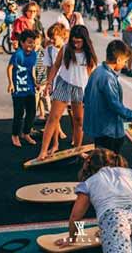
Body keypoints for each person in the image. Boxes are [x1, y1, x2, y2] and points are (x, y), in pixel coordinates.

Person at [55, 148, 132, 253]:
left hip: (113, 218)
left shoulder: (89, 183)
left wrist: (71, 238)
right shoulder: (128, 173)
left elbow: (75, 216)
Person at [38, 25, 98, 160]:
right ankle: (43, 150)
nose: (76, 44)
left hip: (81, 87)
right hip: (64, 83)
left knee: (79, 120)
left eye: (79, 41)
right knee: (54, 117)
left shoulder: (89, 53)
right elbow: (56, 65)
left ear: (85, 40)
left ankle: (77, 149)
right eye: (74, 41)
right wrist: (48, 82)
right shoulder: (66, 48)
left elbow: (90, 73)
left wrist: (92, 92)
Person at [83, 40, 132, 154]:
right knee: (109, 161)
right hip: (108, 129)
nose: (125, 65)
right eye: (125, 61)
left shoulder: (97, 71)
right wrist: (131, 115)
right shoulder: (108, 78)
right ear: (118, 60)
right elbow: (114, 104)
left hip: (98, 127)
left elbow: (86, 96)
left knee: (100, 158)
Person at [7, 30, 37, 147]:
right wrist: (11, 83)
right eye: (29, 42)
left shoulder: (34, 54)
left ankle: (26, 133)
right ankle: (15, 135)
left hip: (29, 88)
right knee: (19, 114)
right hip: (18, 90)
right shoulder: (17, 54)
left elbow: (32, 69)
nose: (31, 45)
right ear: (22, 42)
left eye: (33, 43)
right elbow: (9, 68)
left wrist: (35, 82)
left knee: (32, 112)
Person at [43, 22, 68, 141]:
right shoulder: (48, 50)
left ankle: (73, 134)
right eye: (50, 39)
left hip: (68, 82)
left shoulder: (69, 49)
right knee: (55, 111)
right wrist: (48, 83)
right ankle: (58, 132)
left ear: (63, 36)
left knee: (71, 110)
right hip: (56, 83)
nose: (52, 41)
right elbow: (49, 67)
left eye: (54, 39)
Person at [34, 31, 48, 121]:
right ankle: (42, 114)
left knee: (42, 99)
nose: (35, 46)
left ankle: (45, 115)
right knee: (38, 100)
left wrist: (43, 82)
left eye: (38, 43)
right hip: (34, 80)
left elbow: (45, 68)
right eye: (34, 43)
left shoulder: (42, 53)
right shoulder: (31, 53)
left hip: (41, 80)